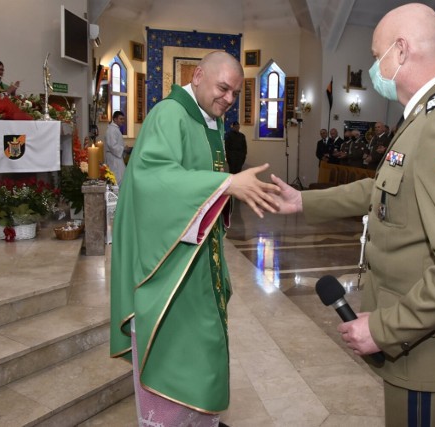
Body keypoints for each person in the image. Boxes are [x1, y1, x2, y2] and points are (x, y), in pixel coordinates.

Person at [269, 4, 435, 425]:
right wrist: (305, 202)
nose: (373, 68)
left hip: (425, 347)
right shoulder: (430, 113)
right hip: (420, 340)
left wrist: (384, 329)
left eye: (376, 55)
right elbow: (385, 185)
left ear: (400, 51)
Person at [110, 51, 279, 426]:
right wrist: (227, 183)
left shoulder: (210, 122)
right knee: (177, 354)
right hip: (167, 263)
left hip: (198, 259)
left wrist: (228, 190)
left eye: (235, 93)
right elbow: (152, 180)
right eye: (223, 88)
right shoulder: (169, 114)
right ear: (199, 75)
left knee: (203, 353)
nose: (229, 99)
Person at [105, 111, 127, 185]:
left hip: (117, 157)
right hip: (114, 158)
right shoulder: (111, 130)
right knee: (117, 179)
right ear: (114, 119)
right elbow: (112, 145)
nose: (122, 121)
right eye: (120, 119)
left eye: (123, 119)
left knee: (122, 178)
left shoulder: (115, 129)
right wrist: (123, 149)